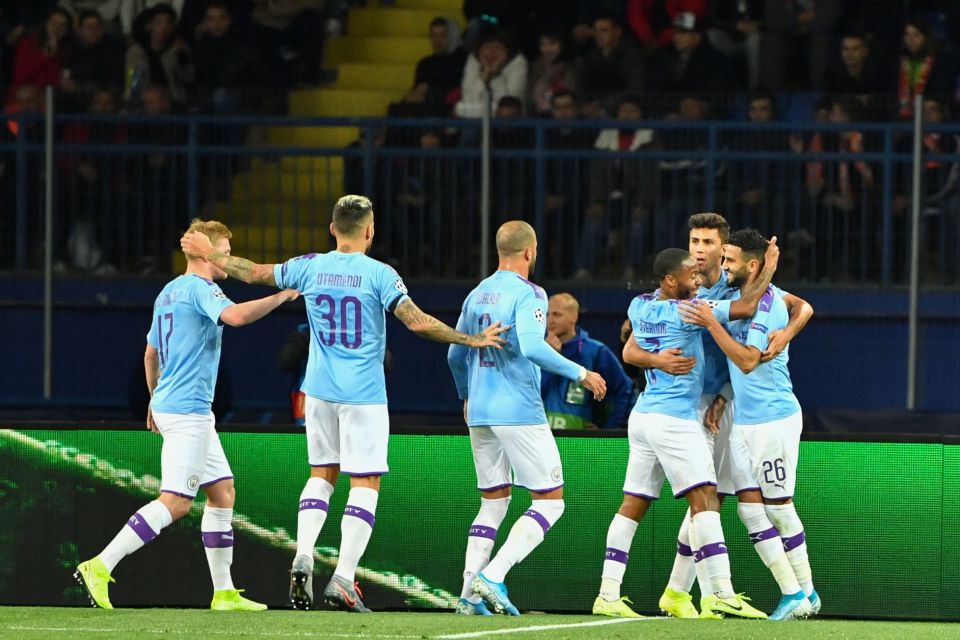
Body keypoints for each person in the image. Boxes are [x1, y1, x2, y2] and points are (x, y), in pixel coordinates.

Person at [180, 195, 508, 613]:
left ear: (333, 229)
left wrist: (210, 254)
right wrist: (471, 339)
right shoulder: (380, 274)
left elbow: (254, 272)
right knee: (365, 482)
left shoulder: (310, 265)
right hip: (364, 395)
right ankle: (343, 578)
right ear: (370, 231)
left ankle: (303, 553)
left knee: (321, 474)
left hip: (317, 390)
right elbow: (418, 322)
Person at [74, 219, 299, 611]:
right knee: (176, 501)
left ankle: (224, 592)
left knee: (222, 491)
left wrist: (154, 398)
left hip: (177, 405)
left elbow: (150, 353)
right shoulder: (200, 289)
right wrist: (281, 296)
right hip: (187, 410)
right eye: (225, 254)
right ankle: (99, 565)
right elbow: (237, 318)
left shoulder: (168, 292)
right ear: (203, 252)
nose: (228, 262)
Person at [622, 213, 814, 620]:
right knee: (711, 499)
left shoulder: (731, 291)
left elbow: (799, 307)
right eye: (695, 241)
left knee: (724, 500)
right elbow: (631, 348)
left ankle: (784, 593)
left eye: (709, 243)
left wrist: (785, 332)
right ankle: (692, 592)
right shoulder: (682, 296)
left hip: (729, 407)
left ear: (725, 249)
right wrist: (657, 357)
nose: (701, 250)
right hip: (694, 407)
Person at [592, 246, 773, 621]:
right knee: (706, 496)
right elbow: (746, 308)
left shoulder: (639, 305)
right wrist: (768, 269)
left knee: (634, 502)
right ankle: (719, 591)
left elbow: (630, 351)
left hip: (643, 416)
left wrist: (655, 359)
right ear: (671, 281)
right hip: (674, 418)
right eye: (690, 274)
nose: (697, 278)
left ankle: (607, 594)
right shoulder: (688, 311)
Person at [447, 220, 607, 616]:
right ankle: (494, 575)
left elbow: (454, 354)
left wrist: (466, 395)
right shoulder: (530, 293)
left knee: (493, 502)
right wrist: (581, 373)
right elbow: (534, 347)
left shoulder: (477, 293)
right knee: (551, 502)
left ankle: (468, 596)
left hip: (480, 411)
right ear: (530, 253)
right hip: (517, 410)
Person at [679, 228, 820, 618]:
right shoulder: (731, 293)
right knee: (748, 510)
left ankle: (806, 593)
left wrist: (713, 325)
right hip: (743, 420)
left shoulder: (770, 303)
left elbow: (746, 360)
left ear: (752, 265)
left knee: (779, 508)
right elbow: (803, 308)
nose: (723, 266)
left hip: (774, 419)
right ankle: (793, 593)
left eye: (730, 260)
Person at [542, 292, 632, 429]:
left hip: (581, 441)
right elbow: (532, 392)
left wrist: (608, 429)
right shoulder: (537, 350)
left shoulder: (595, 351)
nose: (550, 320)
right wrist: (550, 358)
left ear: (574, 316)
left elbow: (625, 390)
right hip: (543, 435)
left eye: (556, 314)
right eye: (547, 314)